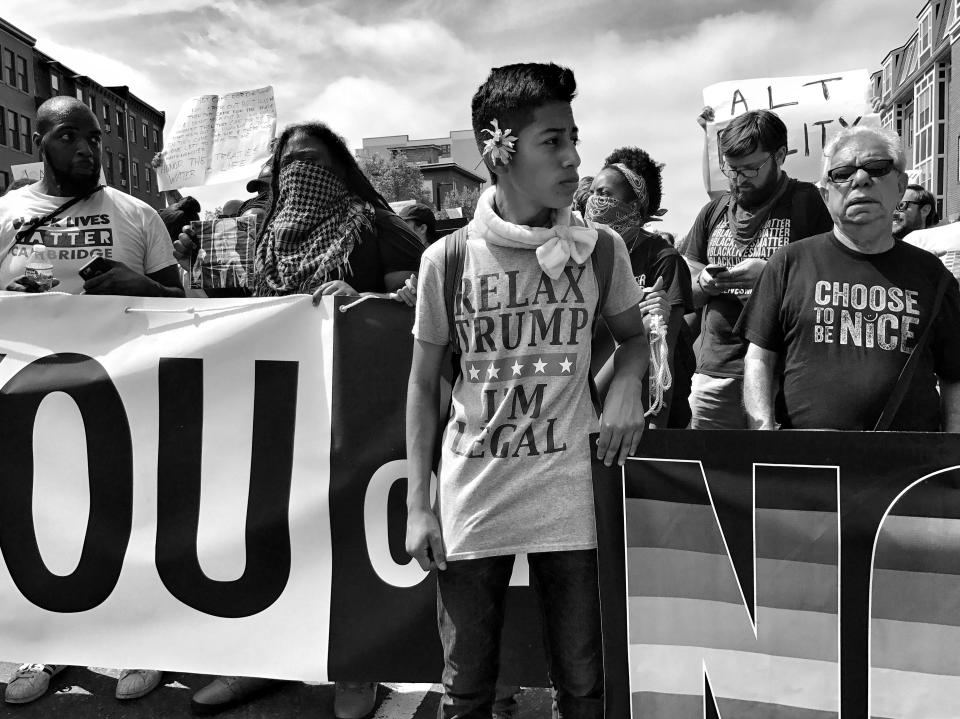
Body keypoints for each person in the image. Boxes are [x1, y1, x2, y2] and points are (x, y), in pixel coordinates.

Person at [405, 62, 648, 719]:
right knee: (467, 688)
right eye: (552, 141)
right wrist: (420, 503)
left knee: (584, 684)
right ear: (500, 151)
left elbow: (636, 338)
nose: (575, 158)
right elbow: (424, 381)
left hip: (570, 489)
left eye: (574, 137)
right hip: (473, 492)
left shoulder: (601, 251)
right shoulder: (448, 259)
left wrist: (630, 383)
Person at [180, 120, 426, 719]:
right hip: (271, 417)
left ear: (340, 169)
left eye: (314, 161)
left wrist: (362, 303)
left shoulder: (378, 230)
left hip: (354, 421)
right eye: (289, 163)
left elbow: (423, 301)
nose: (300, 174)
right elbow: (217, 313)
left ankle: (357, 669)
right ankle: (257, 664)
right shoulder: (255, 236)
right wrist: (189, 263)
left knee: (346, 544)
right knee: (262, 539)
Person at [0, 96, 182, 705]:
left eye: (94, 138)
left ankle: (138, 641)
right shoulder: (6, 216)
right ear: (40, 143)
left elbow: (185, 306)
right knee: (47, 525)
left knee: (130, 519)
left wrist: (141, 286)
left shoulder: (137, 216)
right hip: (32, 407)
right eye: (69, 136)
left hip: (125, 400)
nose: (86, 148)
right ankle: (48, 646)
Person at [741, 126, 960, 431]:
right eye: (842, 172)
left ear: (900, 185)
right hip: (805, 464)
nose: (860, 179)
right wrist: (762, 431)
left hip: (908, 469)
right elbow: (759, 359)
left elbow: (954, 376)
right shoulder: (788, 263)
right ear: (825, 193)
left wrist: (951, 459)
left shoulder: (935, 277)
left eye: (877, 168)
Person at [681, 109, 832, 428]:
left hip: (783, 375)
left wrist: (771, 276)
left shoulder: (807, 204)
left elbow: (827, 289)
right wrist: (706, 284)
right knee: (706, 471)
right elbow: (686, 294)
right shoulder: (714, 211)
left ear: (780, 156)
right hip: (715, 373)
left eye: (751, 168)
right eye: (731, 168)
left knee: (770, 472)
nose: (738, 178)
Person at [584, 146, 693, 427]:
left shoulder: (662, 258)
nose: (595, 201)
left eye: (605, 194)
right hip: (590, 406)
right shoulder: (581, 251)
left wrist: (656, 421)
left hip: (641, 413)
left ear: (634, 205)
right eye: (593, 192)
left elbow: (663, 349)